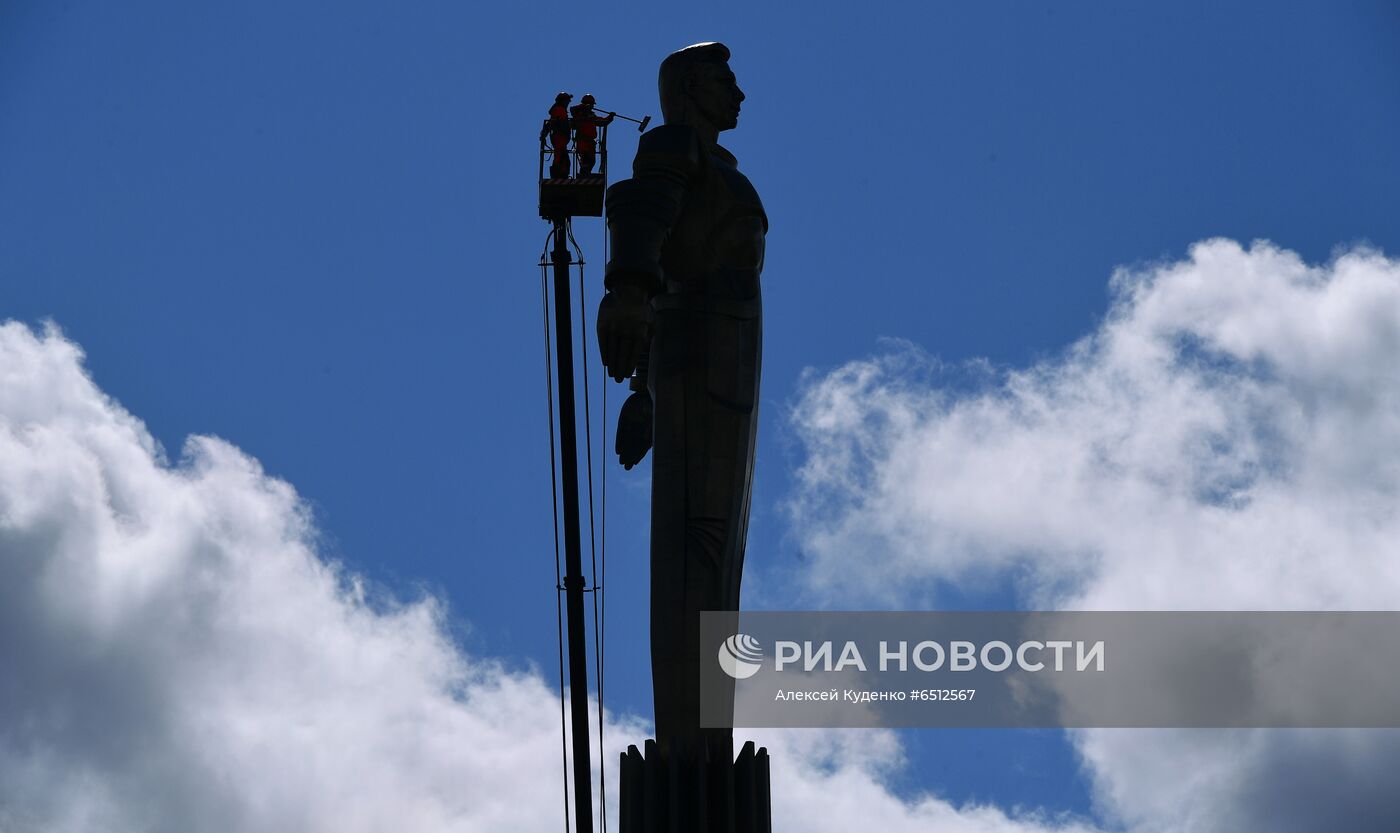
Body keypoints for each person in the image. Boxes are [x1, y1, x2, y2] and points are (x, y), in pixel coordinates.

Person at [598, 42, 762, 762]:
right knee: (695, 538)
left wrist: (644, 395)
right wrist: (628, 293)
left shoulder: (719, 168)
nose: (740, 93)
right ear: (692, 89)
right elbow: (643, 209)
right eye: (726, 80)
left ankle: (707, 729)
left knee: (721, 544)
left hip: (729, 365)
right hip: (698, 352)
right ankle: (692, 739)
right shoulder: (673, 146)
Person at [569, 93, 614, 176]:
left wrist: (610, 117)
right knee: (585, 159)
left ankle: (586, 174)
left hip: (590, 142)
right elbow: (572, 109)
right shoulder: (578, 114)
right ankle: (584, 174)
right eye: (592, 104)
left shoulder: (592, 116)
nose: (593, 106)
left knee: (592, 161)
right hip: (582, 140)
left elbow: (602, 122)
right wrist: (583, 107)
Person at [545, 92, 572, 179]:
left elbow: (551, 123)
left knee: (563, 158)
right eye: (567, 101)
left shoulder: (560, 110)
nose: (568, 103)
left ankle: (561, 174)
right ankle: (557, 175)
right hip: (559, 137)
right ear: (562, 101)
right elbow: (554, 122)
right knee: (560, 157)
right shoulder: (559, 110)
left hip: (561, 138)